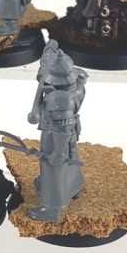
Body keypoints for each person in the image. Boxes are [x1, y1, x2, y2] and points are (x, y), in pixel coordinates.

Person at [26, 41, 88, 222]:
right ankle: (72, 186)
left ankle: (51, 207)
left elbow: (61, 128)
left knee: (52, 165)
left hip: (55, 135)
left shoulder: (58, 99)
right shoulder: (77, 81)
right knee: (69, 160)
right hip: (68, 132)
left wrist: (59, 152)